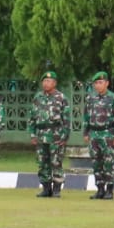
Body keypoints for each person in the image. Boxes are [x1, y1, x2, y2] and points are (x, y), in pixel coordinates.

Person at [82, 71, 114, 200]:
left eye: (100, 82)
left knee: (108, 162)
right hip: (94, 134)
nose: (98, 85)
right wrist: (86, 132)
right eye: (96, 83)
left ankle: (109, 190)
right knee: (96, 162)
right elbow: (86, 116)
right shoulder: (90, 98)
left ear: (107, 83)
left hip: (108, 133)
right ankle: (100, 189)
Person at [30, 70, 70, 198]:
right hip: (41, 135)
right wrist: (32, 134)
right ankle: (46, 188)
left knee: (56, 162)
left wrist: (65, 136)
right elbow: (32, 118)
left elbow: (66, 119)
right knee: (43, 162)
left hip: (56, 135)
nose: (46, 84)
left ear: (55, 83)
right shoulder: (38, 98)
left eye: (49, 81)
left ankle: (57, 189)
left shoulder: (61, 98)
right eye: (44, 81)